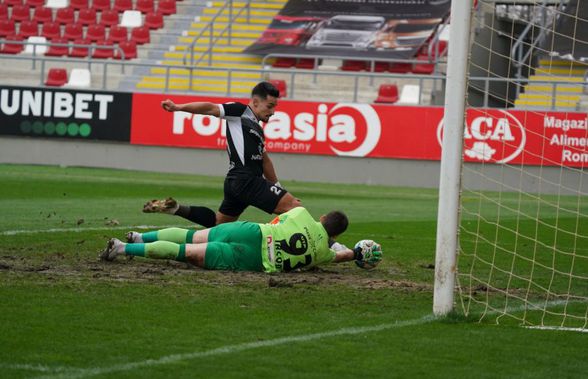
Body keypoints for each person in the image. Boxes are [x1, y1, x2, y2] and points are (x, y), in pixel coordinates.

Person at [144, 81, 301, 228]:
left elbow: (265, 161)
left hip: (236, 182)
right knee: (295, 208)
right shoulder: (240, 111)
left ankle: (176, 208)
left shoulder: (257, 129)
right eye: (270, 106)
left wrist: (277, 187)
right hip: (247, 180)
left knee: (219, 223)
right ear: (255, 102)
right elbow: (209, 108)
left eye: (275, 107)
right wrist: (177, 107)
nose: (273, 112)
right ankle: (322, 243)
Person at [100, 207, 383, 273]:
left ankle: (138, 236)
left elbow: (277, 220)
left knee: (191, 236)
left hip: (253, 231)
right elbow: (343, 256)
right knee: (186, 252)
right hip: (254, 259)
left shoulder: (300, 213)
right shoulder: (323, 252)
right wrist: (359, 253)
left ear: (322, 217)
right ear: (336, 236)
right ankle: (124, 248)